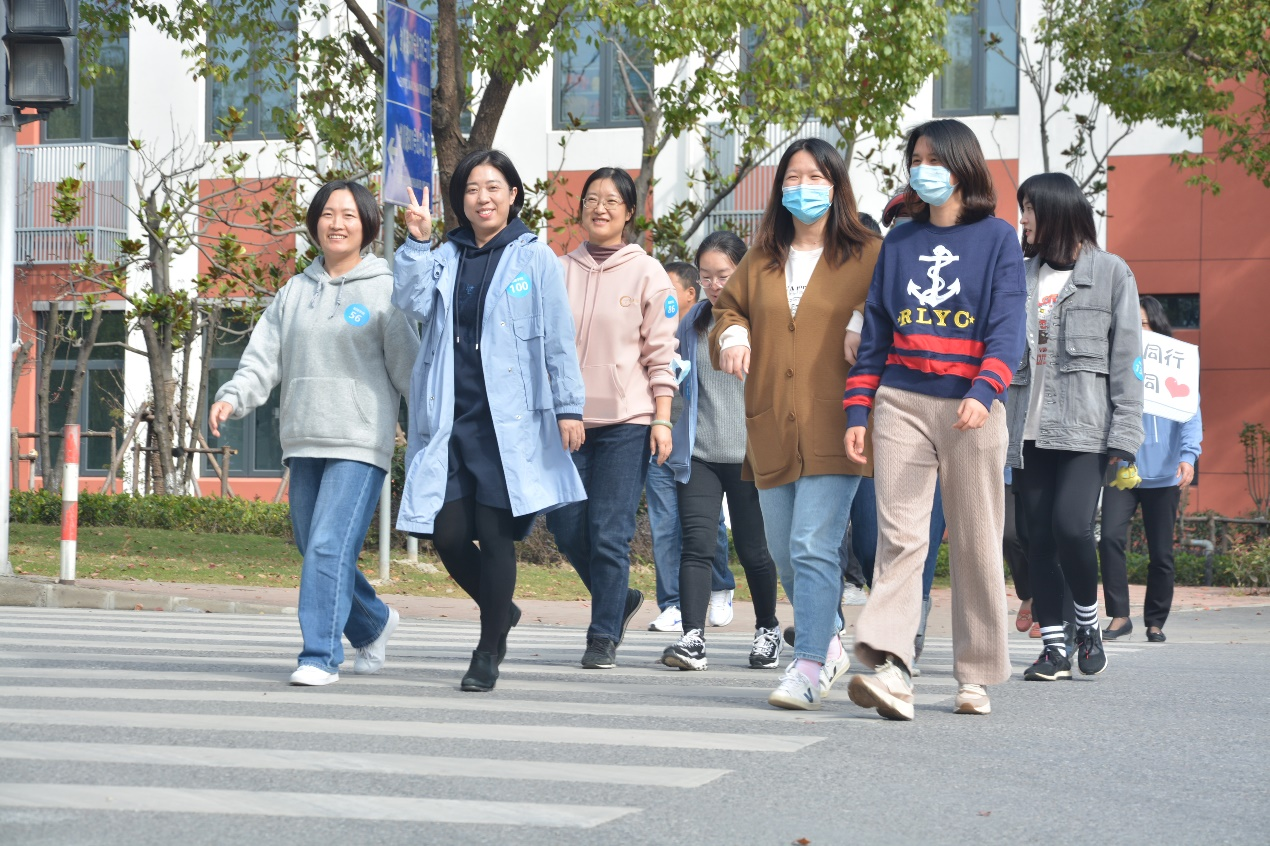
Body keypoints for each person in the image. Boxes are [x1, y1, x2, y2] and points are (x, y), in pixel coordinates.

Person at [844, 119, 1027, 719]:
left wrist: (987, 388)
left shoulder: (998, 238)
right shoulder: (899, 241)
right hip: (901, 399)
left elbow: (1007, 326)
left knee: (976, 539)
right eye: (915, 159)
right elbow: (876, 333)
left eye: (933, 159)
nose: (922, 169)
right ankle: (891, 667)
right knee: (901, 537)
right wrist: (858, 407)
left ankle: (976, 675)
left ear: (962, 166)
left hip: (972, 405)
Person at [210, 180, 419, 687]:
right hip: (303, 437)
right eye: (328, 213)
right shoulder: (294, 292)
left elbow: (411, 370)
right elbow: (263, 357)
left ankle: (320, 656)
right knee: (315, 546)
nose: (337, 223)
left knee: (327, 546)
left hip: (359, 442)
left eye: (348, 215)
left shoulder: (384, 290)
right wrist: (233, 396)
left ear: (367, 225)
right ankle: (372, 622)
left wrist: (436, 432)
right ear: (315, 223)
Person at [392, 150, 586, 692]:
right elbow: (409, 301)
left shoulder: (535, 257)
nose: (483, 197)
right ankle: (502, 610)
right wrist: (416, 242)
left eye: (494, 187)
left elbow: (558, 337)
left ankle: (486, 652)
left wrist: (569, 407)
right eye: (472, 189)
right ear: (461, 199)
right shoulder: (445, 254)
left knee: (497, 538)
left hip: (508, 424)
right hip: (453, 420)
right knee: (448, 534)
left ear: (513, 195)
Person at [710, 138, 880, 711]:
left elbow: (892, 309)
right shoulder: (762, 257)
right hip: (772, 426)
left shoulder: (869, 254)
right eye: (792, 177)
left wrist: (863, 318)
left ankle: (809, 664)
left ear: (836, 186)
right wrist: (734, 333)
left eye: (815, 177)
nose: (802, 187)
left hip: (839, 423)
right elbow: (726, 309)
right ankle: (828, 637)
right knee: (784, 551)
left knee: (812, 544)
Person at [1005, 171, 1144, 682]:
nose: (1023, 219)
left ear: (1057, 211)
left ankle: (1087, 622)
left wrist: (1125, 436)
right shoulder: (1019, 275)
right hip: (1027, 428)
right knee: (1037, 537)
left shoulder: (1111, 273)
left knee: (1071, 526)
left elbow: (1129, 359)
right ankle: (1054, 649)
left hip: (1086, 429)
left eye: (1029, 209)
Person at [546, 167, 679, 669]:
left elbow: (661, 355)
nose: (599, 208)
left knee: (609, 531)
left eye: (611, 201)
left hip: (628, 420)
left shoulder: (648, 273)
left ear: (629, 213)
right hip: (568, 420)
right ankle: (618, 597)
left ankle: (602, 635)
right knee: (564, 525)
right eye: (591, 199)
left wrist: (662, 419)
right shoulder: (557, 269)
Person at [660, 231, 783, 671]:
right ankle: (692, 637)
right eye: (706, 276)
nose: (713, 285)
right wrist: (665, 426)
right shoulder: (691, 322)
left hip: (752, 457)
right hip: (701, 454)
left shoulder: (763, 319)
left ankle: (767, 629)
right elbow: (674, 379)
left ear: (744, 272)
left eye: (723, 275)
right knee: (696, 545)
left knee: (754, 550)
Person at [1099, 296, 1202, 644]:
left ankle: (1155, 621)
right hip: (1121, 469)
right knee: (1109, 539)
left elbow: (1191, 416)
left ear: (1157, 326)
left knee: (1161, 554)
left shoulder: (1179, 367)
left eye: (1143, 323)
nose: (1137, 330)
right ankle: (1120, 616)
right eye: (1133, 323)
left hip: (1165, 476)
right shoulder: (1116, 361)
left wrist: (1188, 456)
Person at [645, 261, 735, 633]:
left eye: (668, 289)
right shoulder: (651, 328)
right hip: (659, 437)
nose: (660, 295)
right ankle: (672, 605)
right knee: (664, 523)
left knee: (707, 525)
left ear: (689, 293)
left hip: (698, 443)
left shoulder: (703, 327)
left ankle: (720, 585)